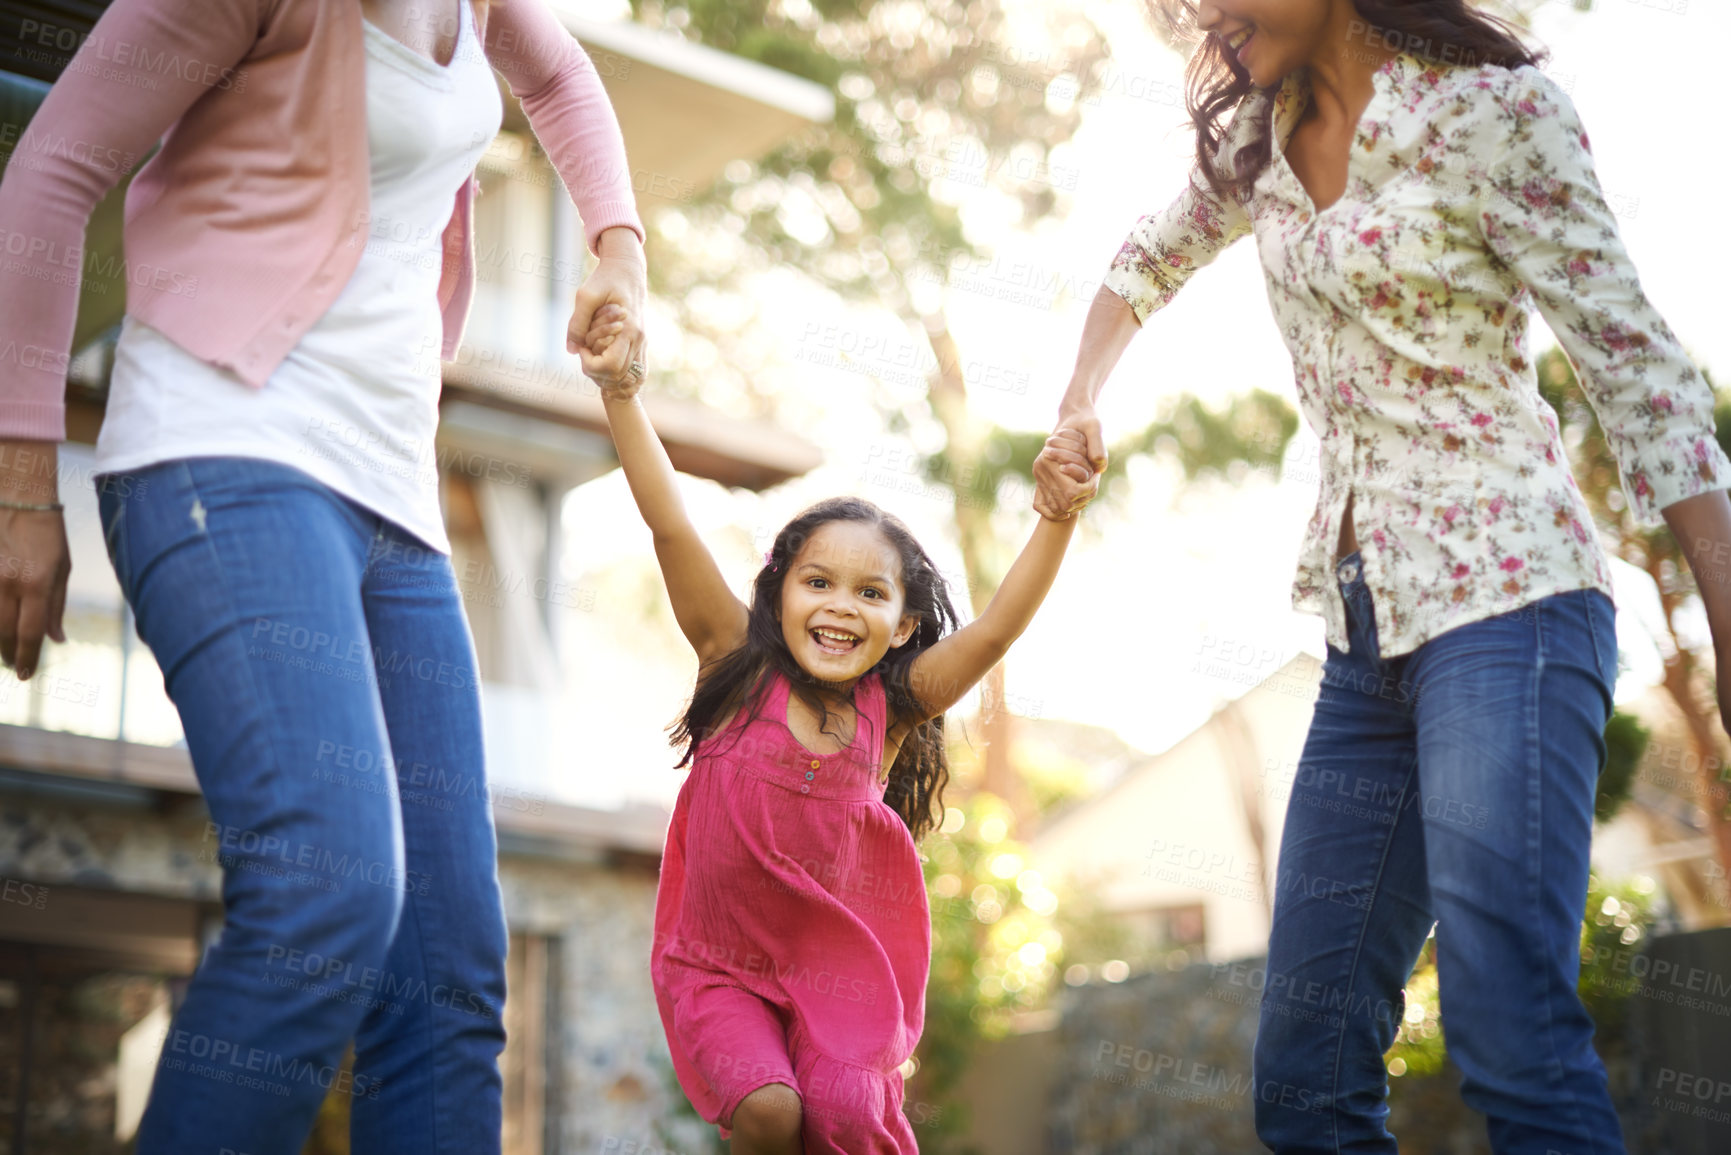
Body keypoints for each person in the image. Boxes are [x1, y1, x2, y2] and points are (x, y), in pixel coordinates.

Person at [1032, 1, 1731, 1152]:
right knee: (1303, 1084)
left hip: (1514, 611)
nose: (1205, 13)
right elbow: (1145, 258)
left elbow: (1636, 370)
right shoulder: (1255, 145)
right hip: (1366, 644)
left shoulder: (1494, 116)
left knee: (1510, 1035)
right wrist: (1080, 395)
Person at [0, 1, 648, 1151]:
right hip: (220, 454)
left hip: (394, 500)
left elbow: (564, 82)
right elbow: (52, 173)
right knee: (328, 891)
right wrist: (20, 483)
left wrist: (618, 248)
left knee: (447, 969)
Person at [578, 303, 1085, 1153]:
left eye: (870, 593)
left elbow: (994, 630)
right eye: (818, 581)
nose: (841, 605)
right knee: (772, 1110)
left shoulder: (891, 710)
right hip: (716, 966)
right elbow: (669, 522)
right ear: (779, 592)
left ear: (905, 626)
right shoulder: (732, 663)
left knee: (849, 1117)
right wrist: (623, 391)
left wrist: (1056, 516)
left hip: (834, 979)